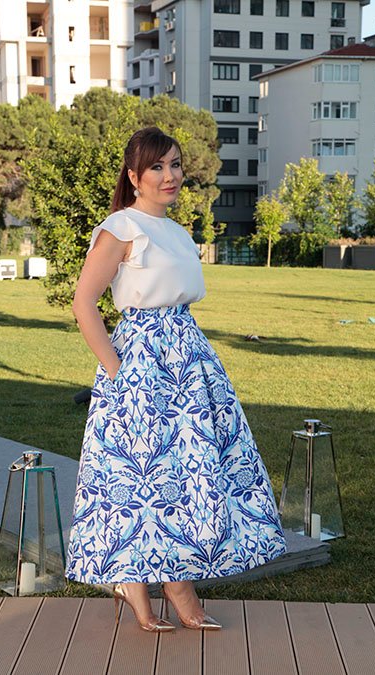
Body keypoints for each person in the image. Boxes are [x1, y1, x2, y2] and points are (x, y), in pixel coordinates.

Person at [65, 127, 287, 632]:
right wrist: (118, 371)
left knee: (187, 474)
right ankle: (135, 582)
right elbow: (83, 304)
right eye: (157, 167)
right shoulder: (121, 228)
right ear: (134, 176)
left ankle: (176, 583)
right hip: (142, 361)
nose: (170, 176)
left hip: (189, 359)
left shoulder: (179, 232)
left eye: (175, 165)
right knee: (139, 475)